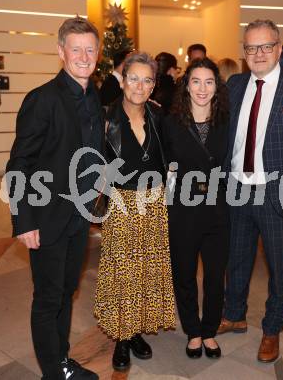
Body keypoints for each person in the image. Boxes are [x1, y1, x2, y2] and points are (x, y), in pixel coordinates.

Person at [218, 19, 283, 363]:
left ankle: (271, 329)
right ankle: (233, 313)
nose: (259, 53)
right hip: (236, 189)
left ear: (279, 48)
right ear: (244, 52)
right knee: (236, 259)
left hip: (279, 193)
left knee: (281, 267)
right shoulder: (234, 85)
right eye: (252, 48)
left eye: (266, 46)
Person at [6, 17, 103, 380]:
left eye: (90, 49)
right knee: (48, 299)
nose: (83, 56)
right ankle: (53, 371)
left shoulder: (93, 97)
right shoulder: (42, 100)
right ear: (60, 51)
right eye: (75, 49)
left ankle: (60, 358)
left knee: (66, 292)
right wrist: (23, 220)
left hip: (78, 217)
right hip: (45, 217)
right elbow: (19, 164)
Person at [94, 52, 176, 372]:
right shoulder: (105, 117)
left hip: (154, 203)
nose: (139, 86)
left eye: (147, 80)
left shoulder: (159, 117)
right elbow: (90, 162)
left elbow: (169, 157)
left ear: (154, 85)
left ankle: (138, 330)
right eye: (134, 78)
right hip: (122, 203)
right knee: (123, 274)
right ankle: (122, 339)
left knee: (148, 271)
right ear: (123, 79)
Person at [162, 58, 229, 359]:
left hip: (218, 208)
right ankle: (193, 330)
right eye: (196, 81)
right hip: (183, 209)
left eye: (209, 82)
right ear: (186, 85)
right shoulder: (171, 122)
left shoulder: (227, 120)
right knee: (184, 273)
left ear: (217, 86)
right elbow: (161, 166)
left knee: (215, 275)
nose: (202, 88)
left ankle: (210, 329)